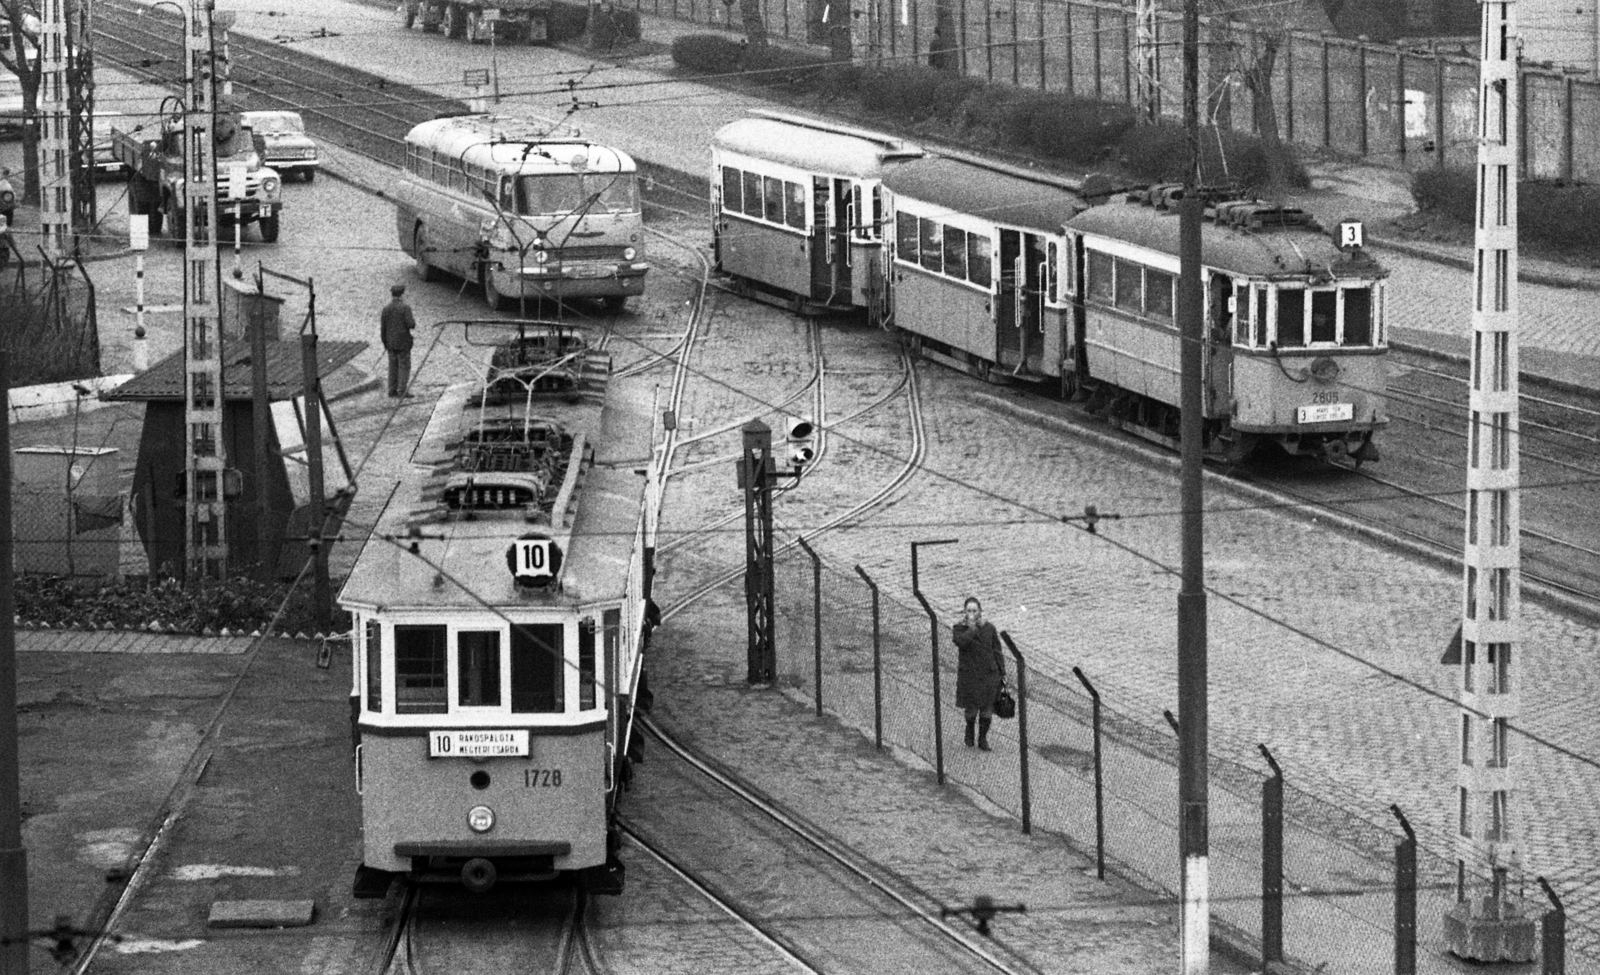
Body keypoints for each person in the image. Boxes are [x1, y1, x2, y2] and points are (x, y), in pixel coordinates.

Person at [952, 596, 1006, 751]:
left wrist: (1002, 671)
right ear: (964, 612)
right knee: (971, 709)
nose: (972, 613)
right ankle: (969, 731)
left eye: (974, 610)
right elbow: (962, 642)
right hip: (969, 675)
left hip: (988, 674)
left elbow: (997, 650)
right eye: (969, 610)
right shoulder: (959, 628)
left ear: (980, 611)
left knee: (987, 709)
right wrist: (972, 629)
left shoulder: (989, 628)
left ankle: (983, 738)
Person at [380, 283, 417, 397]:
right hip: (403, 343)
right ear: (402, 295)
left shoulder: (386, 309)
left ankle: (391, 389)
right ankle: (402, 390)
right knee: (404, 367)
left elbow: (383, 328)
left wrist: (385, 343)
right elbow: (411, 324)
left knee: (392, 367)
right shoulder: (405, 308)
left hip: (390, 343)